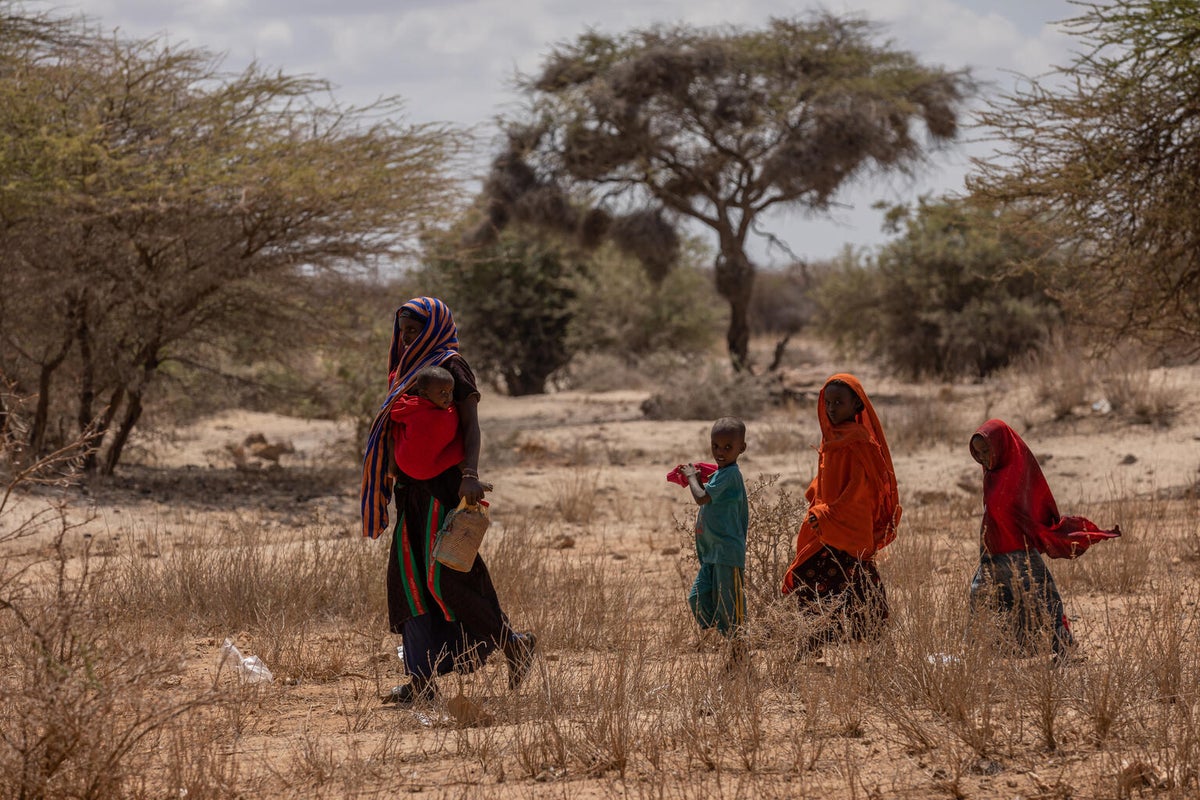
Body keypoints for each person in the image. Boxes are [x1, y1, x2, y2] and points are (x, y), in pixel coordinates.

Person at [361, 296, 536, 704]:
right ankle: (421, 681)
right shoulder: (407, 370)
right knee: (410, 583)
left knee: (449, 577)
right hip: (411, 494)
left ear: (434, 328)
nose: (406, 339)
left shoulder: (452, 367)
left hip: (446, 491)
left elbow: (471, 429)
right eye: (402, 332)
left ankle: (513, 643)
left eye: (413, 331)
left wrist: (470, 475)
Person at [967, 419, 1121, 660]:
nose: (983, 457)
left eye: (986, 450)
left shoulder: (1017, 472)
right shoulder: (991, 475)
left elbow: (1030, 511)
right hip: (992, 555)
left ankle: (1065, 650)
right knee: (985, 601)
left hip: (1019, 553)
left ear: (1001, 445)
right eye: (978, 453)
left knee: (1044, 601)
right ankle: (987, 656)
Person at [781, 374, 901, 653]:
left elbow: (859, 486)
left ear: (856, 404)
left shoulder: (859, 440)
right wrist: (815, 494)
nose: (832, 408)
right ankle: (815, 645)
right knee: (811, 580)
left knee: (857, 587)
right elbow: (827, 479)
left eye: (839, 402)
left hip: (848, 526)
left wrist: (829, 512)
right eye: (828, 402)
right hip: (826, 526)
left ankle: (875, 649)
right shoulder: (831, 437)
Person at [674, 417, 750, 668]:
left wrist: (692, 477)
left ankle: (739, 654)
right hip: (712, 553)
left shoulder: (730, 475)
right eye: (716, 446)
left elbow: (702, 498)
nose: (720, 452)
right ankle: (730, 640)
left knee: (732, 607)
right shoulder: (721, 474)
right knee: (698, 596)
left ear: (742, 448)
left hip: (727, 553)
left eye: (728, 447)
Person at [388, 365, 465, 481]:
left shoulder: (409, 406)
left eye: (450, 391)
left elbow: (395, 411)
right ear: (424, 394)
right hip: (419, 466)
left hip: (406, 464)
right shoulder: (417, 408)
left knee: (395, 429)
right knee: (461, 442)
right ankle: (468, 475)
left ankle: (391, 468)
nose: (448, 397)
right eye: (442, 392)